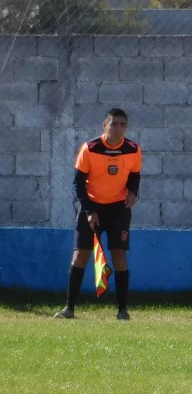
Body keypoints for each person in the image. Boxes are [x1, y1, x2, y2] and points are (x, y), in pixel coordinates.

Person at [55, 108, 141, 320]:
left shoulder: (132, 149)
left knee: (119, 255)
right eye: (114, 124)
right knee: (81, 254)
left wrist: (133, 192)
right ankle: (69, 309)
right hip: (92, 207)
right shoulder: (90, 148)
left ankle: (122, 311)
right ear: (105, 126)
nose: (118, 128)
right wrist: (89, 210)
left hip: (118, 210)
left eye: (123, 124)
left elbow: (134, 175)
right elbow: (78, 183)